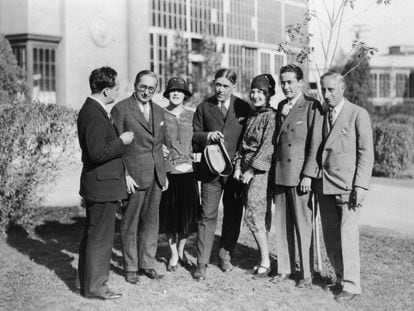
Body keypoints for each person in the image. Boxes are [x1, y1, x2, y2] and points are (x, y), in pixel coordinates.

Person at [315, 72, 374, 302]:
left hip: (349, 187)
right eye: (323, 90)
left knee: (347, 235)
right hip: (325, 185)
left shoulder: (358, 114)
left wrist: (360, 186)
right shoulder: (322, 114)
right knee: (331, 236)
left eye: (331, 90)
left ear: (342, 89)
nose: (326, 94)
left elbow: (366, 153)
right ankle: (340, 277)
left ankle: (351, 285)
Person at [77, 66, 134, 300]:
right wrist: (121, 141)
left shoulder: (95, 110)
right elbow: (96, 153)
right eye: (117, 88)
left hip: (101, 184)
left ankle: (87, 283)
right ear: (106, 90)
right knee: (100, 238)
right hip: (101, 186)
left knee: (94, 235)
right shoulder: (92, 113)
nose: (118, 92)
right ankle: (96, 287)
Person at [192, 68, 251, 280]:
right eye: (218, 84)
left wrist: (242, 167)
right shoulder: (203, 107)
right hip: (211, 172)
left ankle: (225, 255)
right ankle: (201, 263)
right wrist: (207, 136)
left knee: (234, 214)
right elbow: (194, 136)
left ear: (233, 86)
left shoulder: (243, 106)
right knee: (207, 214)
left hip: (235, 172)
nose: (221, 89)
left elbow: (249, 138)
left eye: (226, 86)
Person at [112, 70, 168, 283]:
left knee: (151, 223)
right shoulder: (121, 109)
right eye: (142, 86)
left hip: (156, 176)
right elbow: (116, 147)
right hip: (133, 177)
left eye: (151, 88)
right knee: (130, 223)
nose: (146, 92)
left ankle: (147, 264)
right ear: (135, 85)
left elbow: (163, 144)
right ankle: (131, 268)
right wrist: (124, 175)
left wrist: (164, 172)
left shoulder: (159, 112)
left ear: (156, 90)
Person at [271, 64, 323, 288]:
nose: (285, 86)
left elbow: (315, 144)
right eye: (282, 82)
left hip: (301, 176)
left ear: (300, 83)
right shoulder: (281, 105)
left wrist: (308, 175)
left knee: (303, 225)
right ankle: (285, 268)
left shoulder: (312, 106)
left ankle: (306, 274)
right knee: (282, 225)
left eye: (290, 82)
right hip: (281, 173)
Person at [233, 74, 276, 279]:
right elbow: (242, 144)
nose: (256, 95)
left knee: (255, 213)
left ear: (268, 94)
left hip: (260, 172)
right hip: (246, 168)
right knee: (252, 214)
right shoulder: (252, 115)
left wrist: (251, 170)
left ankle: (266, 262)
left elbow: (268, 147)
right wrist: (238, 167)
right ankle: (263, 259)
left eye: (261, 92)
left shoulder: (271, 117)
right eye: (254, 92)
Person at [158, 77, 200, 271]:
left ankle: (181, 251)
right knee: (170, 217)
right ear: (167, 94)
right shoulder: (160, 115)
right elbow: (153, 140)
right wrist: (159, 149)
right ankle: (173, 254)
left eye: (180, 91)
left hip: (188, 172)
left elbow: (199, 139)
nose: (176, 93)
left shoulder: (193, 116)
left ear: (185, 95)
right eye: (172, 91)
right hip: (169, 172)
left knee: (186, 216)